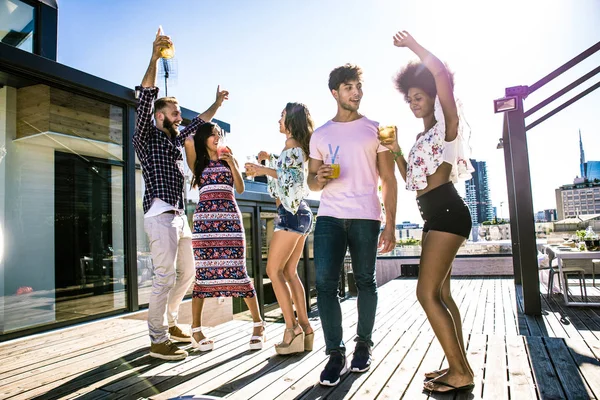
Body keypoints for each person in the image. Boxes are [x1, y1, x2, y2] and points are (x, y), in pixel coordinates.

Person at [382, 30, 475, 394]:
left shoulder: (447, 128)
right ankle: (459, 364)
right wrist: (396, 151)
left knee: (425, 294)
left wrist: (414, 47)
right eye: (409, 99)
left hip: (449, 213)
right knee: (442, 295)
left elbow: (441, 75)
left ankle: (460, 372)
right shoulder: (422, 140)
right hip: (434, 216)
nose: (413, 103)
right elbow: (413, 184)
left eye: (418, 97)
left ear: (434, 98)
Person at [133, 28, 229, 360]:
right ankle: (157, 339)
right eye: (174, 113)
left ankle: (171, 322)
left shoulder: (175, 140)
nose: (180, 116)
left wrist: (216, 103)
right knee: (164, 276)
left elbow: (198, 124)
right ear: (159, 116)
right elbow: (145, 94)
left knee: (187, 272)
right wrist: (155, 57)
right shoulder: (146, 136)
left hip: (179, 215)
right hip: (159, 213)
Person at [307, 64, 397, 386]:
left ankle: (363, 345)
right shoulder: (321, 134)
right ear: (335, 92)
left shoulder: (375, 129)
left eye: (358, 86)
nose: (355, 92)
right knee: (326, 285)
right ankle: (335, 353)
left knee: (365, 281)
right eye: (348, 87)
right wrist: (318, 178)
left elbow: (388, 178)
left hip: (366, 215)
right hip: (330, 215)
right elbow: (311, 183)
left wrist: (391, 224)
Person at [184, 123, 265, 351]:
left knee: (239, 272)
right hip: (204, 225)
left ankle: (259, 325)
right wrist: (206, 127)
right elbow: (189, 140)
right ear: (204, 138)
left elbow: (239, 189)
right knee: (203, 275)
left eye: (219, 135)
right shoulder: (198, 163)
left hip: (229, 221)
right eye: (213, 135)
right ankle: (196, 329)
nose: (217, 138)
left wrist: (231, 164)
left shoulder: (229, 158)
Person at [245, 103, 315, 356]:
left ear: (291, 120)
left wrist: (260, 168)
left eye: (282, 116)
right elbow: (288, 173)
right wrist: (270, 160)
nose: (279, 119)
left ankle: (291, 329)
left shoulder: (292, 145)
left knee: (273, 271)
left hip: (290, 214)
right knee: (289, 272)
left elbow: (289, 179)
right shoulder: (295, 147)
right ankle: (305, 328)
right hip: (300, 214)